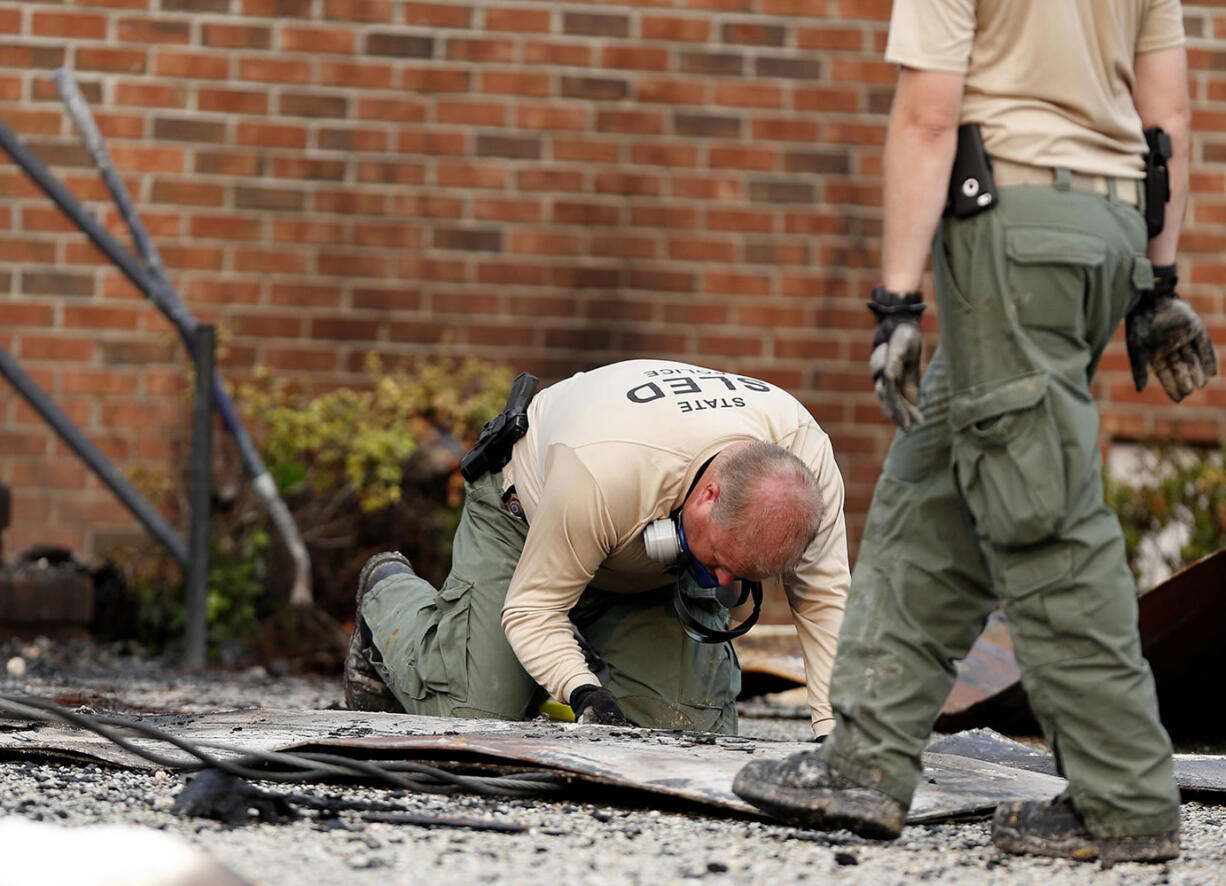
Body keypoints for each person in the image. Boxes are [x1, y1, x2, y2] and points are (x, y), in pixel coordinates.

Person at [733, 0, 1216, 869]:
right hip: (1107, 234)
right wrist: (1159, 279)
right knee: (935, 489)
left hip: (1011, 234)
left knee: (1043, 516)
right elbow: (1169, 118)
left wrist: (896, 303)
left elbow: (927, 114)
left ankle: (1124, 797)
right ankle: (865, 760)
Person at [344, 359, 850, 737]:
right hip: (527, 524)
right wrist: (582, 690)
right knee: (475, 716)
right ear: (709, 496)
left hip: (646, 557)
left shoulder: (805, 464)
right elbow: (533, 609)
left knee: (691, 737)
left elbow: (826, 600)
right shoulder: (602, 466)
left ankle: (594, 634)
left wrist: (836, 737)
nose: (722, 584)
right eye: (718, 561)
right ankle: (388, 597)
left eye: (738, 575)